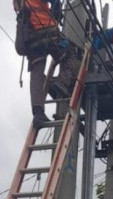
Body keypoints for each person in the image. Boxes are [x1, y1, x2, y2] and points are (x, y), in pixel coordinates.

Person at [13, 0, 80, 128]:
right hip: (48, 31)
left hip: (30, 39)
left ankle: (38, 113)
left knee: (36, 72)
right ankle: (62, 82)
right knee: (70, 53)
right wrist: (57, 14)